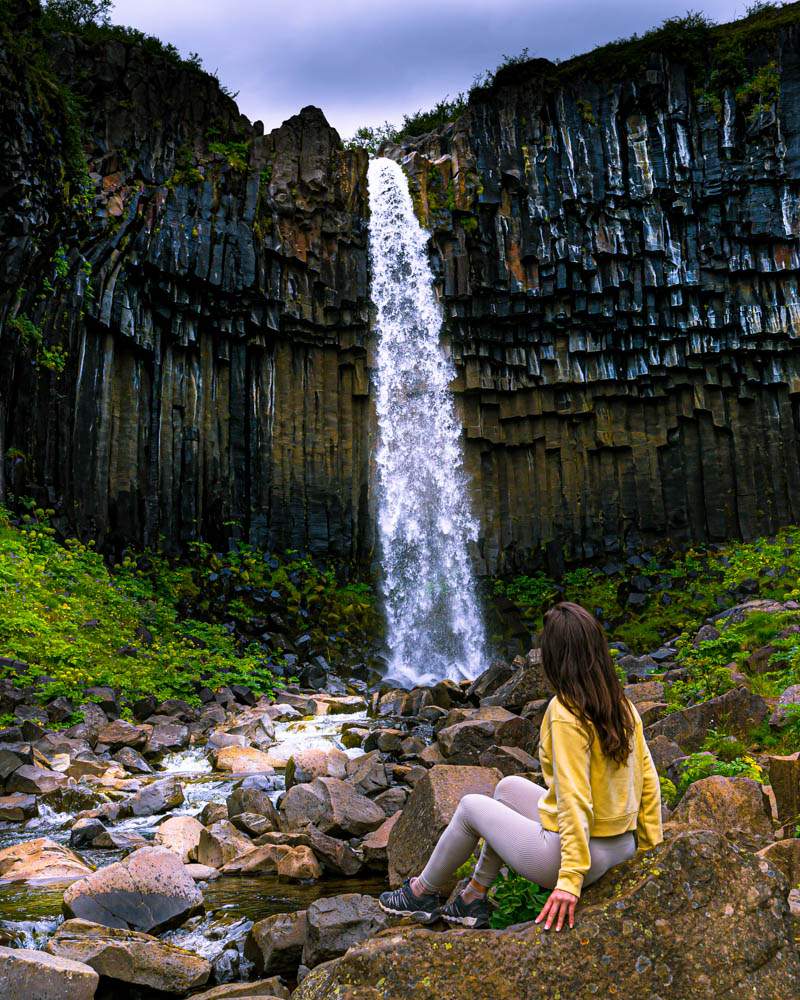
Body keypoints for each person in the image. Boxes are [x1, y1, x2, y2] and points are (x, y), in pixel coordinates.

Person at [379, 601, 663, 931]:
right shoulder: (622, 705)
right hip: (621, 847)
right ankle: (473, 896)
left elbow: (575, 800)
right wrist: (650, 852)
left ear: (555, 658)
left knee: (471, 807)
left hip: (577, 860)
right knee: (507, 788)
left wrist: (569, 881)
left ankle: (420, 893)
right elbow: (649, 782)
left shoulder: (566, 713)